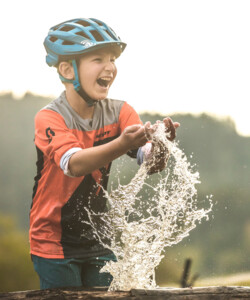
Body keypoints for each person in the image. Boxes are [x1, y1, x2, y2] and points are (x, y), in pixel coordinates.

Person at [29, 17, 180, 290]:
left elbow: (147, 159)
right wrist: (121, 144)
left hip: (99, 237)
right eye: (98, 59)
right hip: (53, 241)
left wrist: (160, 149)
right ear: (67, 69)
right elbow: (73, 164)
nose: (110, 67)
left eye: (112, 59)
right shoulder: (49, 118)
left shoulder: (120, 111)